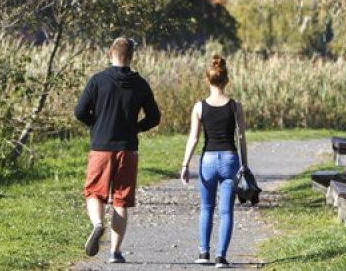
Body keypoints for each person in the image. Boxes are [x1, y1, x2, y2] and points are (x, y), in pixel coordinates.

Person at [74, 37, 161, 264]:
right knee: (121, 201)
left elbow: (80, 112)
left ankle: (97, 224)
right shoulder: (140, 84)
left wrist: (95, 122)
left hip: (101, 147)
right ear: (131, 57)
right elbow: (154, 117)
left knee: (94, 192)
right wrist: (137, 128)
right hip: (128, 148)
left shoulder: (97, 81)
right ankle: (115, 252)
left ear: (109, 54)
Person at [181, 55, 248, 269]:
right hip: (230, 159)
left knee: (207, 208)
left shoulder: (199, 107)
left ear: (207, 80)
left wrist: (185, 165)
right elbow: (241, 138)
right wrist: (244, 165)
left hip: (208, 160)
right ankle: (221, 257)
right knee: (226, 211)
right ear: (226, 80)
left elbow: (193, 138)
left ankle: (203, 252)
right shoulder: (236, 107)